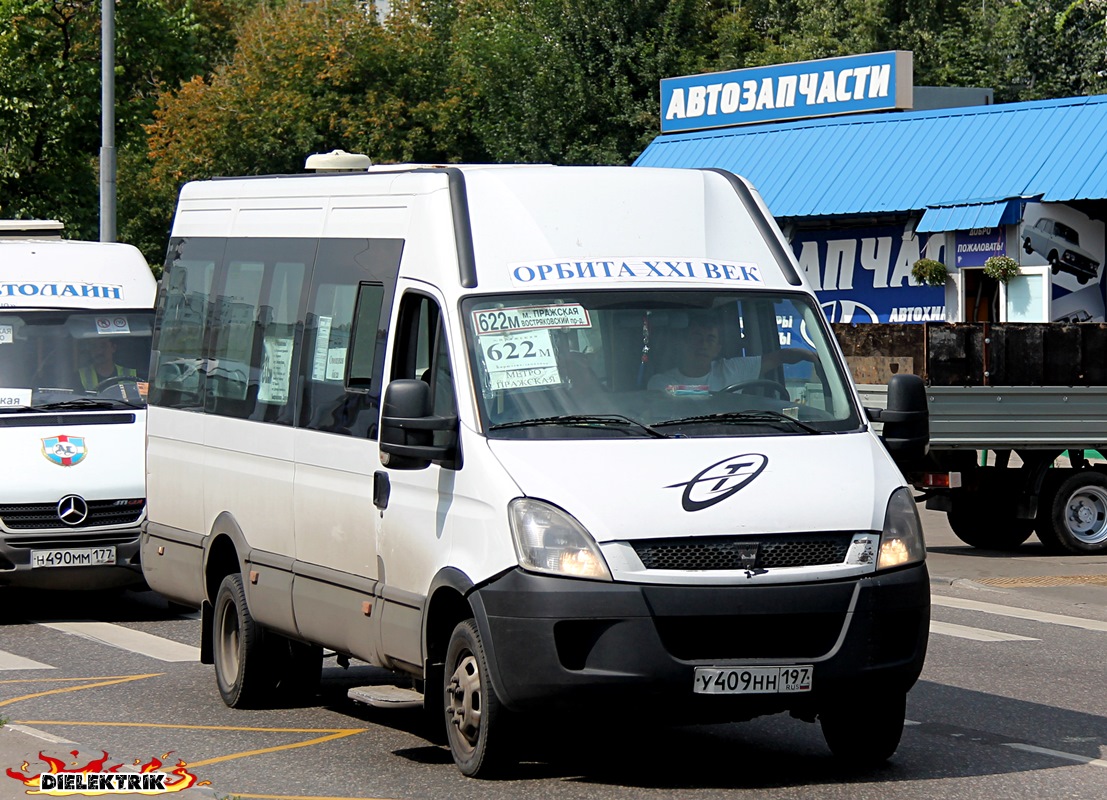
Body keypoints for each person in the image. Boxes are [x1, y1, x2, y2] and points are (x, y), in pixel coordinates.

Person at [647, 316, 815, 393]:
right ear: (684, 344)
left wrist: (813, 357)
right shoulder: (660, 382)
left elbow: (780, 357)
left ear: (718, 348)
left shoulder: (731, 369)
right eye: (697, 338)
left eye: (710, 339)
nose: (703, 345)